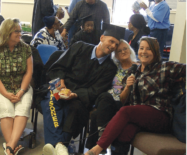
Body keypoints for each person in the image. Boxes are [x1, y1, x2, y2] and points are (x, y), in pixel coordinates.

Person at [85, 36, 187, 155]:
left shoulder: (165, 67)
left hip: (161, 116)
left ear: (155, 51)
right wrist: (127, 87)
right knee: (125, 131)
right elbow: (123, 100)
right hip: (140, 117)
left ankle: (96, 149)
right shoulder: (134, 71)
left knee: (126, 111)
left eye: (148, 49)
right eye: (141, 48)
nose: (144, 51)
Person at [41, 24, 125, 155]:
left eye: (116, 44)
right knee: (53, 98)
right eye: (111, 41)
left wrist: (73, 94)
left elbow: (95, 91)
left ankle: (58, 145)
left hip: (80, 97)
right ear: (102, 38)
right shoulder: (79, 47)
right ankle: (60, 146)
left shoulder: (110, 68)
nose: (113, 46)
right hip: (60, 87)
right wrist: (61, 82)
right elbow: (58, 68)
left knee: (75, 109)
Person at [0, 18, 33, 155]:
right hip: (1, 87)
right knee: (6, 109)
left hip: (22, 87)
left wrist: (21, 91)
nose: (20, 34)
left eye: (20, 31)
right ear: (7, 33)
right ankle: (12, 147)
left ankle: (9, 147)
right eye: (17, 31)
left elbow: (28, 72)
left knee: (23, 108)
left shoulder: (25, 48)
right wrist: (6, 94)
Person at [85, 39, 137, 153]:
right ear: (116, 56)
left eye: (125, 49)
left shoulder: (137, 68)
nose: (123, 52)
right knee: (105, 97)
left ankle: (95, 147)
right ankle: (101, 141)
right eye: (119, 51)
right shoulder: (113, 67)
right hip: (106, 99)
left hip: (123, 102)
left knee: (95, 115)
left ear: (130, 50)